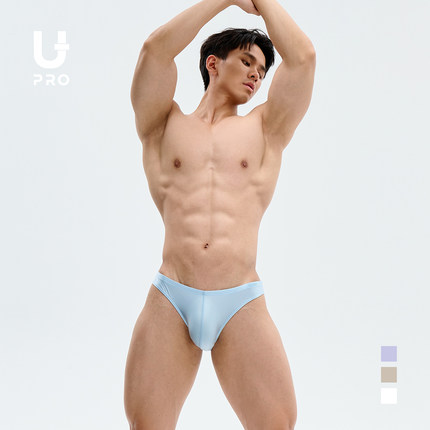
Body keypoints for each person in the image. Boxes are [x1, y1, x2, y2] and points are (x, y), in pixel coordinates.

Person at [124, 0, 316, 428]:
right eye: (247, 61)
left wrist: (262, 3)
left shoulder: (266, 128)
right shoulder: (162, 123)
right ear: (213, 63)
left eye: (262, 70)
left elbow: (303, 58)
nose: (256, 75)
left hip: (239, 299)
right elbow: (155, 50)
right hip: (171, 296)